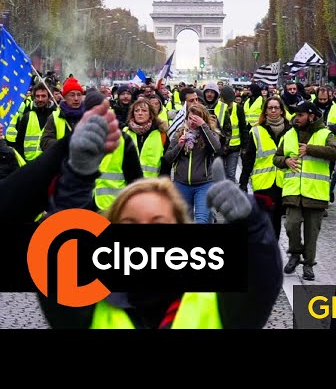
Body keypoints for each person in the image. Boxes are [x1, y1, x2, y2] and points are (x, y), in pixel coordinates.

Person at [37, 117, 282, 328]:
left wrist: (250, 224)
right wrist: (77, 177)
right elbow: (59, 267)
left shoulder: (215, 299)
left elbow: (260, 285)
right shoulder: (89, 303)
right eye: (130, 225)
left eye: (158, 223)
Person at [273, 101, 336, 281]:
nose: (297, 118)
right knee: (291, 224)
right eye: (296, 115)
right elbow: (276, 158)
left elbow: (334, 153)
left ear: (311, 116)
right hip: (293, 191)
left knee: (312, 232)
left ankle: (308, 265)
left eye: (301, 115)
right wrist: (285, 161)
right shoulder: (289, 134)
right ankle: (295, 253)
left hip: (316, 192)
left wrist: (310, 149)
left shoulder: (326, 133)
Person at [238, 96, 290, 240]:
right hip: (262, 183)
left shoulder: (291, 131)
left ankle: (272, 251)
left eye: (276, 108)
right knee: (263, 218)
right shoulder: (256, 131)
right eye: (270, 108)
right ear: (265, 111)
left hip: (283, 182)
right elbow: (248, 159)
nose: (273, 110)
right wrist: (243, 182)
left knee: (276, 219)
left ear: (281, 111)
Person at [164, 103, 223, 223]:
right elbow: (168, 158)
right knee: (185, 220)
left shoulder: (209, 133)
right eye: (190, 118)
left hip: (204, 184)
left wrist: (203, 126)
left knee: (202, 219)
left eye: (196, 119)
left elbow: (216, 148)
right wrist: (179, 145)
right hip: (182, 183)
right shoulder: (180, 133)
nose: (192, 122)